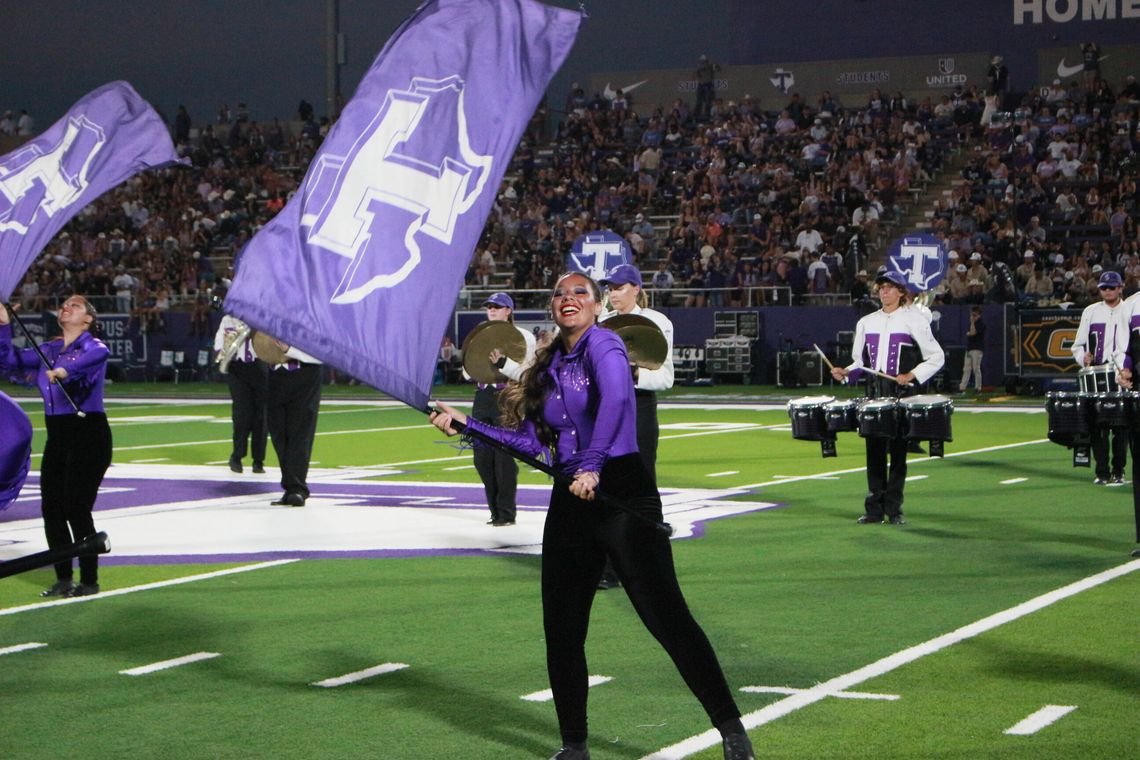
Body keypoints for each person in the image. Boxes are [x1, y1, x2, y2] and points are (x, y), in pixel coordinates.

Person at [429, 273, 754, 760]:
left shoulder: (606, 345)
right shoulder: (548, 363)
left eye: (580, 293)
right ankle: (574, 744)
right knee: (561, 628)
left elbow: (620, 403)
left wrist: (593, 464)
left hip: (621, 488)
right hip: (572, 496)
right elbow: (535, 446)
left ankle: (732, 731)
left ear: (598, 305)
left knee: (667, 618)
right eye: (560, 294)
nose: (569, 299)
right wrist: (468, 425)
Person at [0, 297, 111, 597]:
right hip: (58, 436)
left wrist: (64, 371)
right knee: (51, 508)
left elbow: (92, 358)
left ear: (87, 320)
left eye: (76, 305)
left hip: (89, 435)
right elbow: (6, 359)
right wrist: (4, 325)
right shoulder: (47, 350)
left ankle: (89, 581)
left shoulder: (94, 346)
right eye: (64, 304)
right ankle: (63, 577)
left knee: (76, 506)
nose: (67, 307)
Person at [830, 272, 945, 525]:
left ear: (901, 292)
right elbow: (860, 362)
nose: (884, 292)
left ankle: (894, 510)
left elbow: (937, 356)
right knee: (874, 452)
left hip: (901, 395)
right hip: (874, 395)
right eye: (881, 288)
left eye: (890, 288)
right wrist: (846, 372)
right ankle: (873, 510)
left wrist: (913, 374)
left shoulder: (914, 320)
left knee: (898, 454)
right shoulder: (866, 322)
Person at [596, 263, 676, 589]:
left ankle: (646, 560)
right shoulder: (599, 323)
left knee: (641, 486)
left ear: (636, 289)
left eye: (620, 287)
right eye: (610, 288)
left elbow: (666, 377)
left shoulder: (658, 322)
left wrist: (632, 374)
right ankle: (609, 567)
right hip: (605, 410)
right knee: (605, 487)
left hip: (639, 408)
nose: (614, 293)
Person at [466, 292, 536, 526]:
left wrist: (503, 363)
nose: (492, 310)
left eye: (498, 307)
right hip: (483, 395)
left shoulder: (523, 336)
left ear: (509, 311)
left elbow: (528, 371)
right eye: (489, 307)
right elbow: (467, 371)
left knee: (503, 457)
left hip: (508, 396)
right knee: (481, 457)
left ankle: (506, 513)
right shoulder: (480, 334)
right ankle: (494, 510)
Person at [1073, 270, 1128, 486]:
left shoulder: (1130, 309)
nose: (1107, 291)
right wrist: (1082, 357)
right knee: (1098, 425)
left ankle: (1119, 470)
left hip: (1122, 374)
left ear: (1120, 288)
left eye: (1111, 287)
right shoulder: (1091, 311)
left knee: (1122, 426)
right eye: (1104, 288)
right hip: (1097, 374)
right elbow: (1077, 345)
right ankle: (1102, 471)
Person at [266, 341, 323, 506]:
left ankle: (297, 489)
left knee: (300, 432)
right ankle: (291, 486)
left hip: (305, 374)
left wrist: (289, 350)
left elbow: (321, 352)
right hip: (274, 375)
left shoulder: (313, 318)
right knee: (279, 434)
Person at [213, 315, 268, 474]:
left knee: (261, 415)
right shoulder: (227, 320)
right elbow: (219, 346)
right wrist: (223, 358)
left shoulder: (260, 317)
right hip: (237, 368)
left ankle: (258, 460)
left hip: (259, 367)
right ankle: (237, 456)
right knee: (241, 414)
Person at [958, 306, 985, 394]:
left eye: (974, 315)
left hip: (977, 349)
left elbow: (972, 333)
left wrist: (972, 323)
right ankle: (962, 388)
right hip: (969, 348)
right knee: (966, 368)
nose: (972, 317)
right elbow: (968, 333)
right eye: (971, 315)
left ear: (979, 315)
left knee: (976, 368)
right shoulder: (969, 324)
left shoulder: (981, 324)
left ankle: (978, 388)